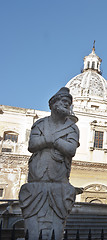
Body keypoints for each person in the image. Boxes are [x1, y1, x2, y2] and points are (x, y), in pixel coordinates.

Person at [19, 87, 80, 240]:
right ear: (53, 104)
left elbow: (71, 149)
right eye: (64, 101)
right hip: (37, 176)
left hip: (59, 178)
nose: (67, 105)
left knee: (56, 228)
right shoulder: (40, 123)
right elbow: (32, 145)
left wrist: (49, 140)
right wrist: (58, 141)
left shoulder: (72, 127)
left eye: (69, 103)